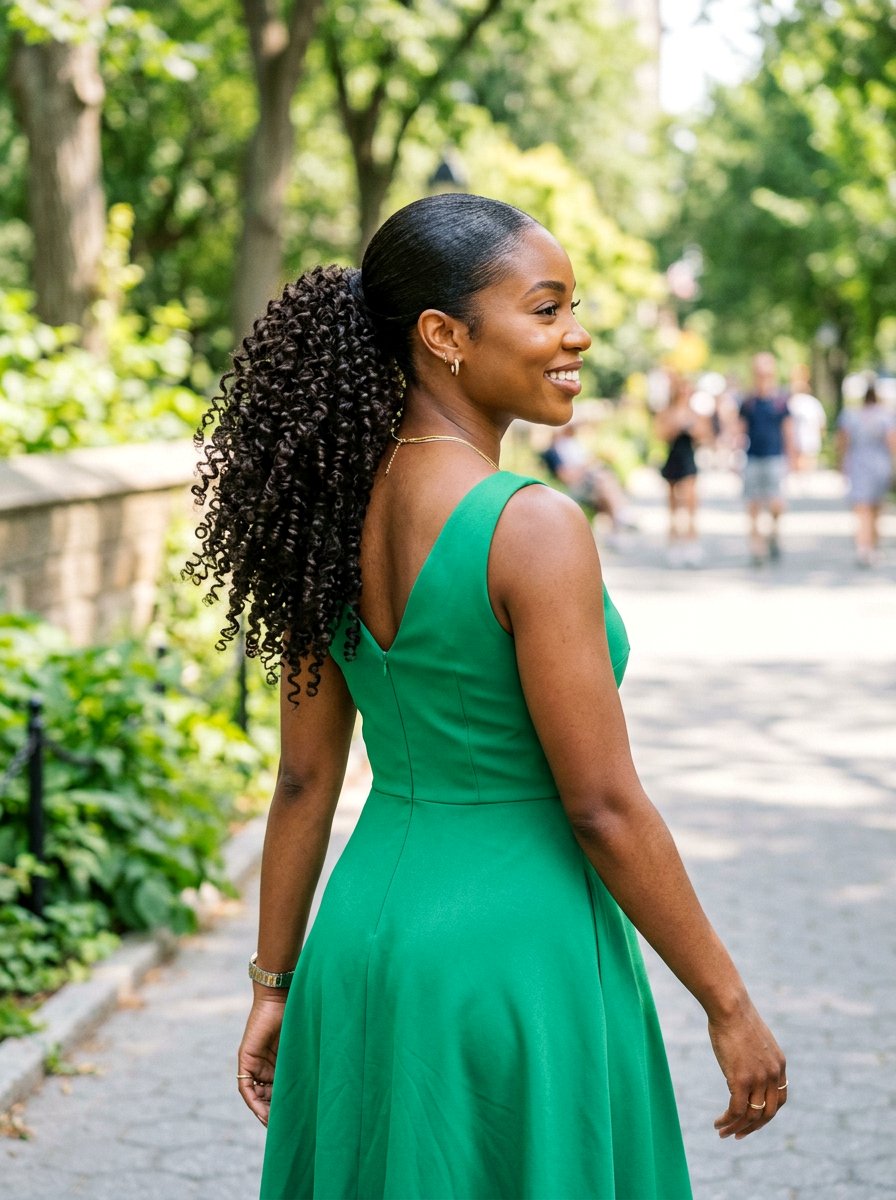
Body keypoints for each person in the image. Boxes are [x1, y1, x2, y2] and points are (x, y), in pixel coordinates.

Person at [186, 193, 786, 1200]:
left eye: (571, 307)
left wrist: (272, 981)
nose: (576, 335)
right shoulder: (533, 526)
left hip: (360, 946)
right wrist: (726, 1004)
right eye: (545, 309)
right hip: (510, 958)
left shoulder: (331, 511)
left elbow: (301, 782)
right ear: (443, 336)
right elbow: (599, 805)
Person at [739, 352, 797, 565]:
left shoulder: (781, 401)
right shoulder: (748, 402)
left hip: (775, 457)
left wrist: (793, 460)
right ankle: (757, 547)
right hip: (753, 457)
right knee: (752, 503)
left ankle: (773, 532)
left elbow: (788, 432)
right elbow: (740, 430)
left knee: (776, 503)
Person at [541, 422, 637, 545]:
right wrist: (585, 466)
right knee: (603, 481)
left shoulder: (570, 444)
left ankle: (617, 526)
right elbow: (567, 477)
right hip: (573, 486)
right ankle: (620, 516)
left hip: (585, 483)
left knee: (604, 488)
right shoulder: (553, 452)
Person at [837, 377, 896, 566]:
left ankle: (864, 548)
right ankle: (872, 546)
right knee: (876, 509)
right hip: (880, 465)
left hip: (858, 464)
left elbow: (843, 441)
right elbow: (892, 443)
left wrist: (842, 464)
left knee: (862, 509)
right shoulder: (886, 416)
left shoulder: (851, 415)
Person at [655, 373, 712, 566]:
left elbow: (704, 435)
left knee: (690, 503)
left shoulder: (695, 412)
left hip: (688, 458)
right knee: (672, 506)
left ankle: (691, 544)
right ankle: (674, 545)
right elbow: (661, 434)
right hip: (673, 456)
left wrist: (690, 427)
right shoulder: (668, 411)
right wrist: (676, 426)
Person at [787, 364, 827, 474]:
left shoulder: (812, 403)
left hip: (809, 444)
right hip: (794, 445)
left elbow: (821, 424)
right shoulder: (789, 402)